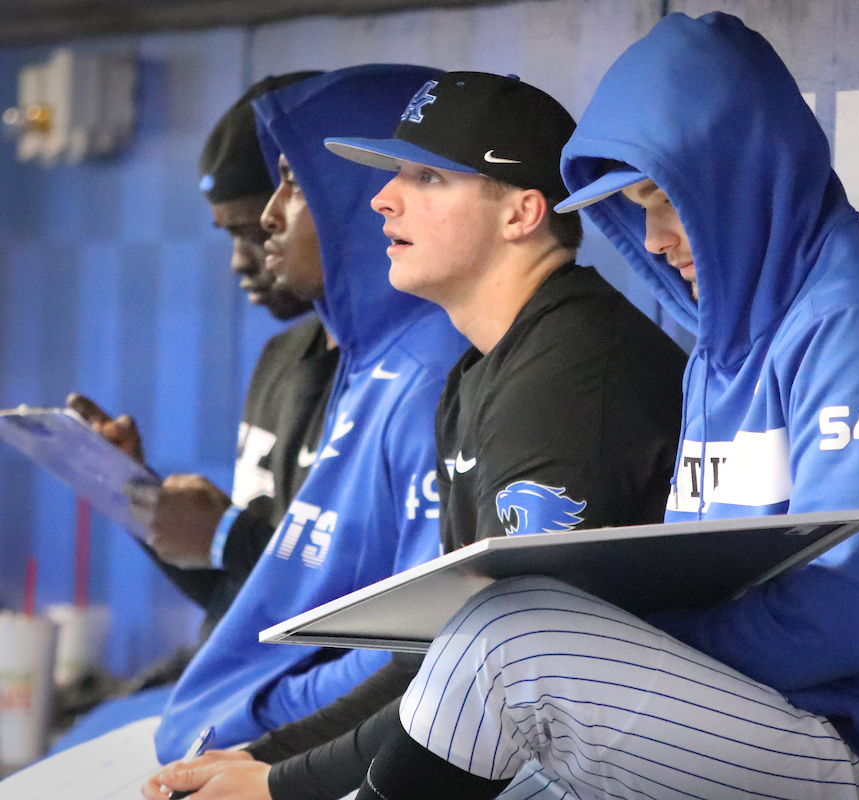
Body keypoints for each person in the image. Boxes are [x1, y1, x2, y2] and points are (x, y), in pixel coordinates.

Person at [252, 13, 859, 800]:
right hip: (753, 716)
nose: (655, 239)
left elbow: (843, 618)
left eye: (663, 200)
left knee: (509, 636)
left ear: (739, 173)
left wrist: (630, 640)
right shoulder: (723, 346)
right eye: (635, 206)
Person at [143, 71, 688, 800]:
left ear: (522, 213)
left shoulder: (571, 376)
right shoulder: (481, 370)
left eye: (427, 177)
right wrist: (270, 762)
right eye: (394, 173)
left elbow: (501, 673)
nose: (381, 199)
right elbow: (435, 657)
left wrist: (282, 784)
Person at [152, 63, 470, 762]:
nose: (267, 224)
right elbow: (285, 590)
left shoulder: (429, 374)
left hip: (320, 743)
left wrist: (262, 735)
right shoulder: (358, 363)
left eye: (292, 184)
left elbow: (427, 642)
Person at [67, 71, 332, 648]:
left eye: (253, 231)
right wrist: (133, 492)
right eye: (229, 236)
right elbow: (238, 598)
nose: (240, 261)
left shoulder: (394, 372)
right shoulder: (281, 359)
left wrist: (228, 535)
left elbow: (357, 604)